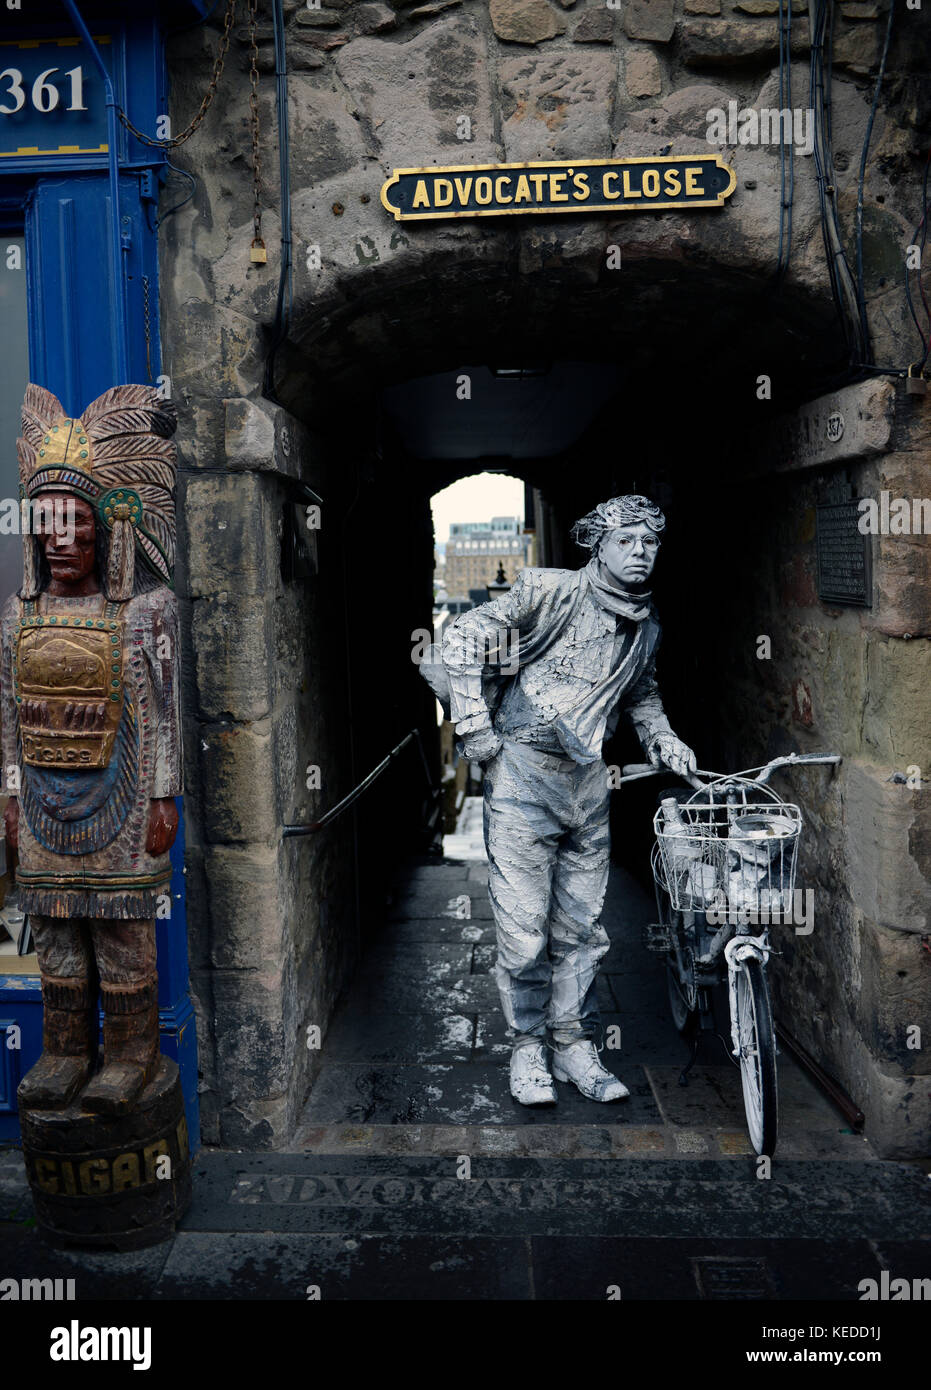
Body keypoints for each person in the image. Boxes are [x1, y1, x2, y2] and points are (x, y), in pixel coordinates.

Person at [440, 495, 695, 1105]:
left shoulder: (646, 623)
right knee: (524, 932)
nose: (640, 553)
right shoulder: (547, 591)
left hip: (587, 783)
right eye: (626, 541)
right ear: (598, 547)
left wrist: (664, 739)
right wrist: (477, 733)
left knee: (581, 928)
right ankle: (527, 1048)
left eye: (649, 542)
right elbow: (462, 637)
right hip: (523, 775)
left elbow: (640, 694)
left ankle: (573, 1044)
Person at [1, 384, 182, 1115]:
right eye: (48, 526)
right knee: (55, 936)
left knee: (121, 934)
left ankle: (132, 1054)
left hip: (122, 798)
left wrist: (164, 795)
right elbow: (7, 720)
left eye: (75, 524)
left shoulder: (146, 609)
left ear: (105, 529)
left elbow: (162, 713)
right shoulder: (16, 617)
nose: (62, 540)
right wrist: (10, 795)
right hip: (43, 802)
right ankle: (65, 1050)